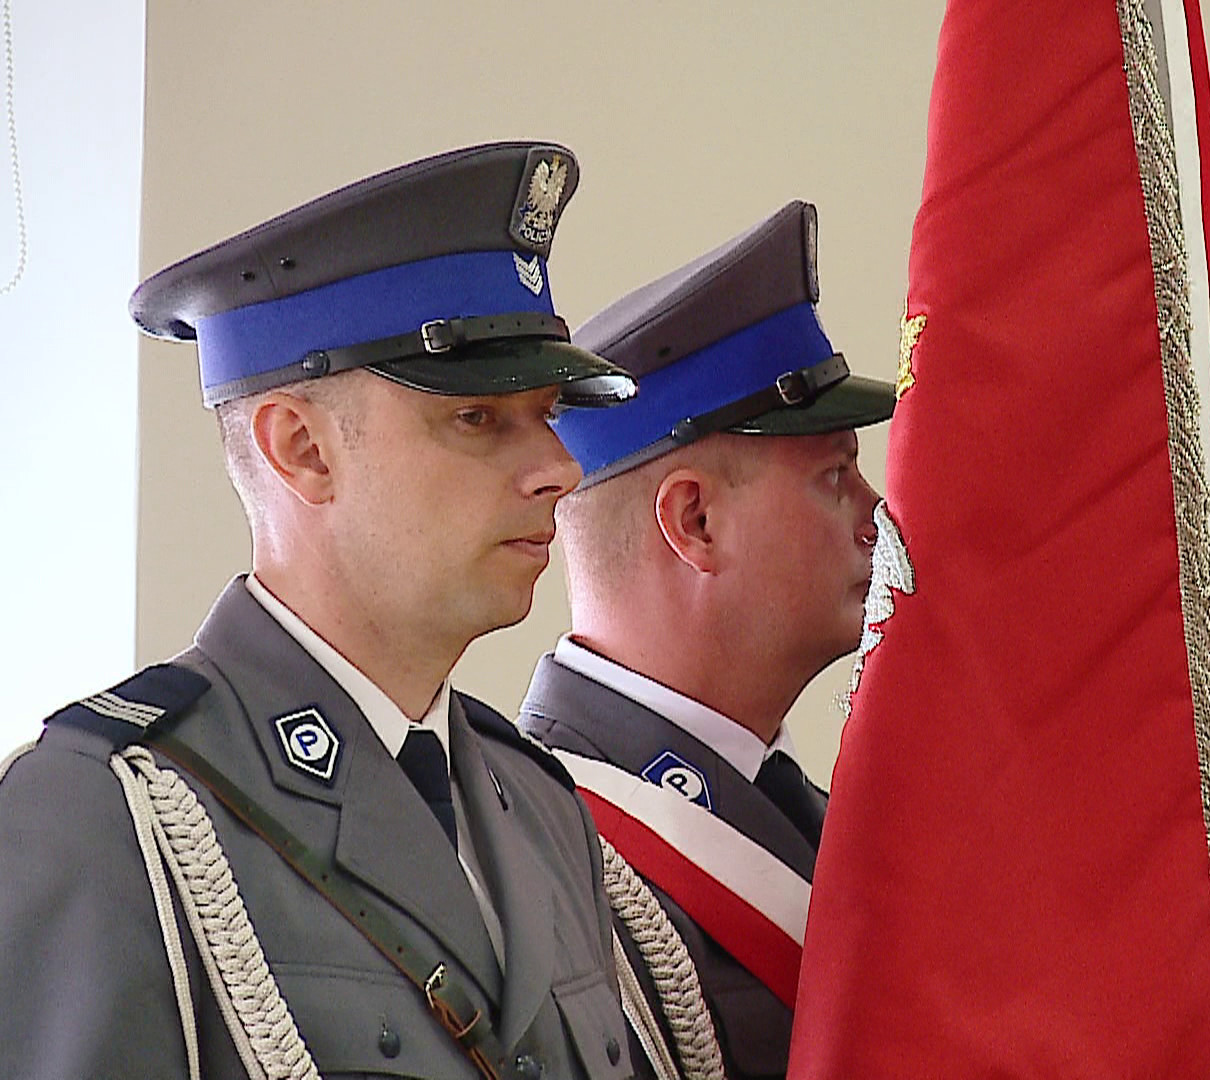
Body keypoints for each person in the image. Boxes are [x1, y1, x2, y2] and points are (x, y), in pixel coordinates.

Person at [0, 142, 669, 1079]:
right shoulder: (106, 814)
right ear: (303, 449)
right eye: (477, 418)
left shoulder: (541, 807)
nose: (559, 468)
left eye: (549, 413)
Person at [519, 200, 893, 1080]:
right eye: (835, 477)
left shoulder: (808, 814)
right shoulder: (540, 857)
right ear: (696, 521)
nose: (877, 515)